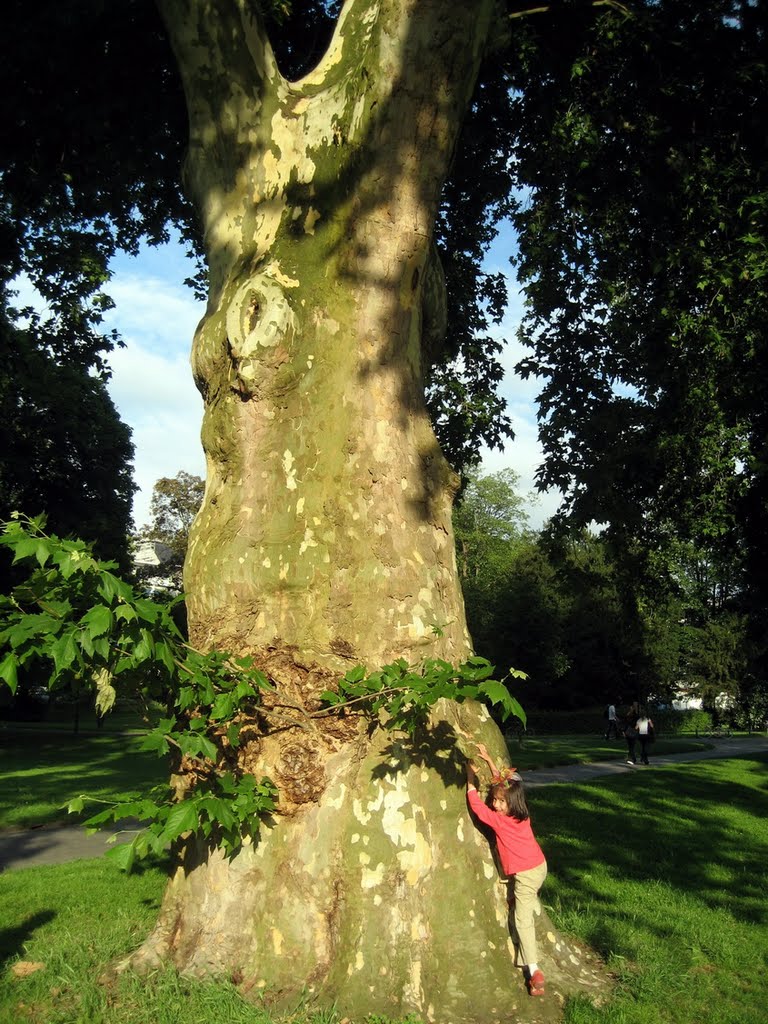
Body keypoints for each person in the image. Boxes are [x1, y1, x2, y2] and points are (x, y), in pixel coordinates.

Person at [466, 742, 548, 998]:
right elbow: (502, 783)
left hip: (525, 874)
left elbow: (478, 807)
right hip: (539, 866)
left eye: (501, 802)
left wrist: (470, 781)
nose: (496, 805)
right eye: (495, 800)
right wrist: (489, 759)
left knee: (523, 921)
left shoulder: (500, 822)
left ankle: (534, 970)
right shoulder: (522, 816)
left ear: (511, 802)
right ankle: (523, 900)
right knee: (523, 901)